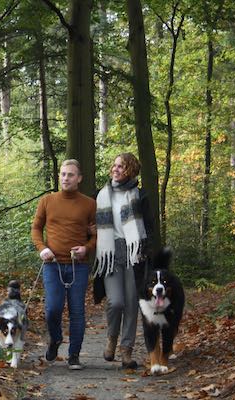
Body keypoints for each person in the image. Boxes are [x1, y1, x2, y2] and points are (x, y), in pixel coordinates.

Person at [31, 159, 96, 370]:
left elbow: (96, 235)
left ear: (79, 178)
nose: (65, 178)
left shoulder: (89, 204)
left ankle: (74, 356)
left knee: (77, 311)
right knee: (52, 309)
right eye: (63, 174)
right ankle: (56, 338)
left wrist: (86, 248)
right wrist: (42, 248)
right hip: (53, 264)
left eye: (70, 175)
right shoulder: (47, 201)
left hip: (79, 266)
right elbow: (35, 229)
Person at [93, 152, 153, 369]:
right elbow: (92, 225)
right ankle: (111, 338)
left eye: (121, 167)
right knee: (115, 302)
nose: (115, 169)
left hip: (134, 252)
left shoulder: (140, 195)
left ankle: (126, 350)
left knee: (131, 304)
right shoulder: (101, 195)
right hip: (109, 253)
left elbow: (149, 226)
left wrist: (148, 254)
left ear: (130, 170)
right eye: (115, 166)